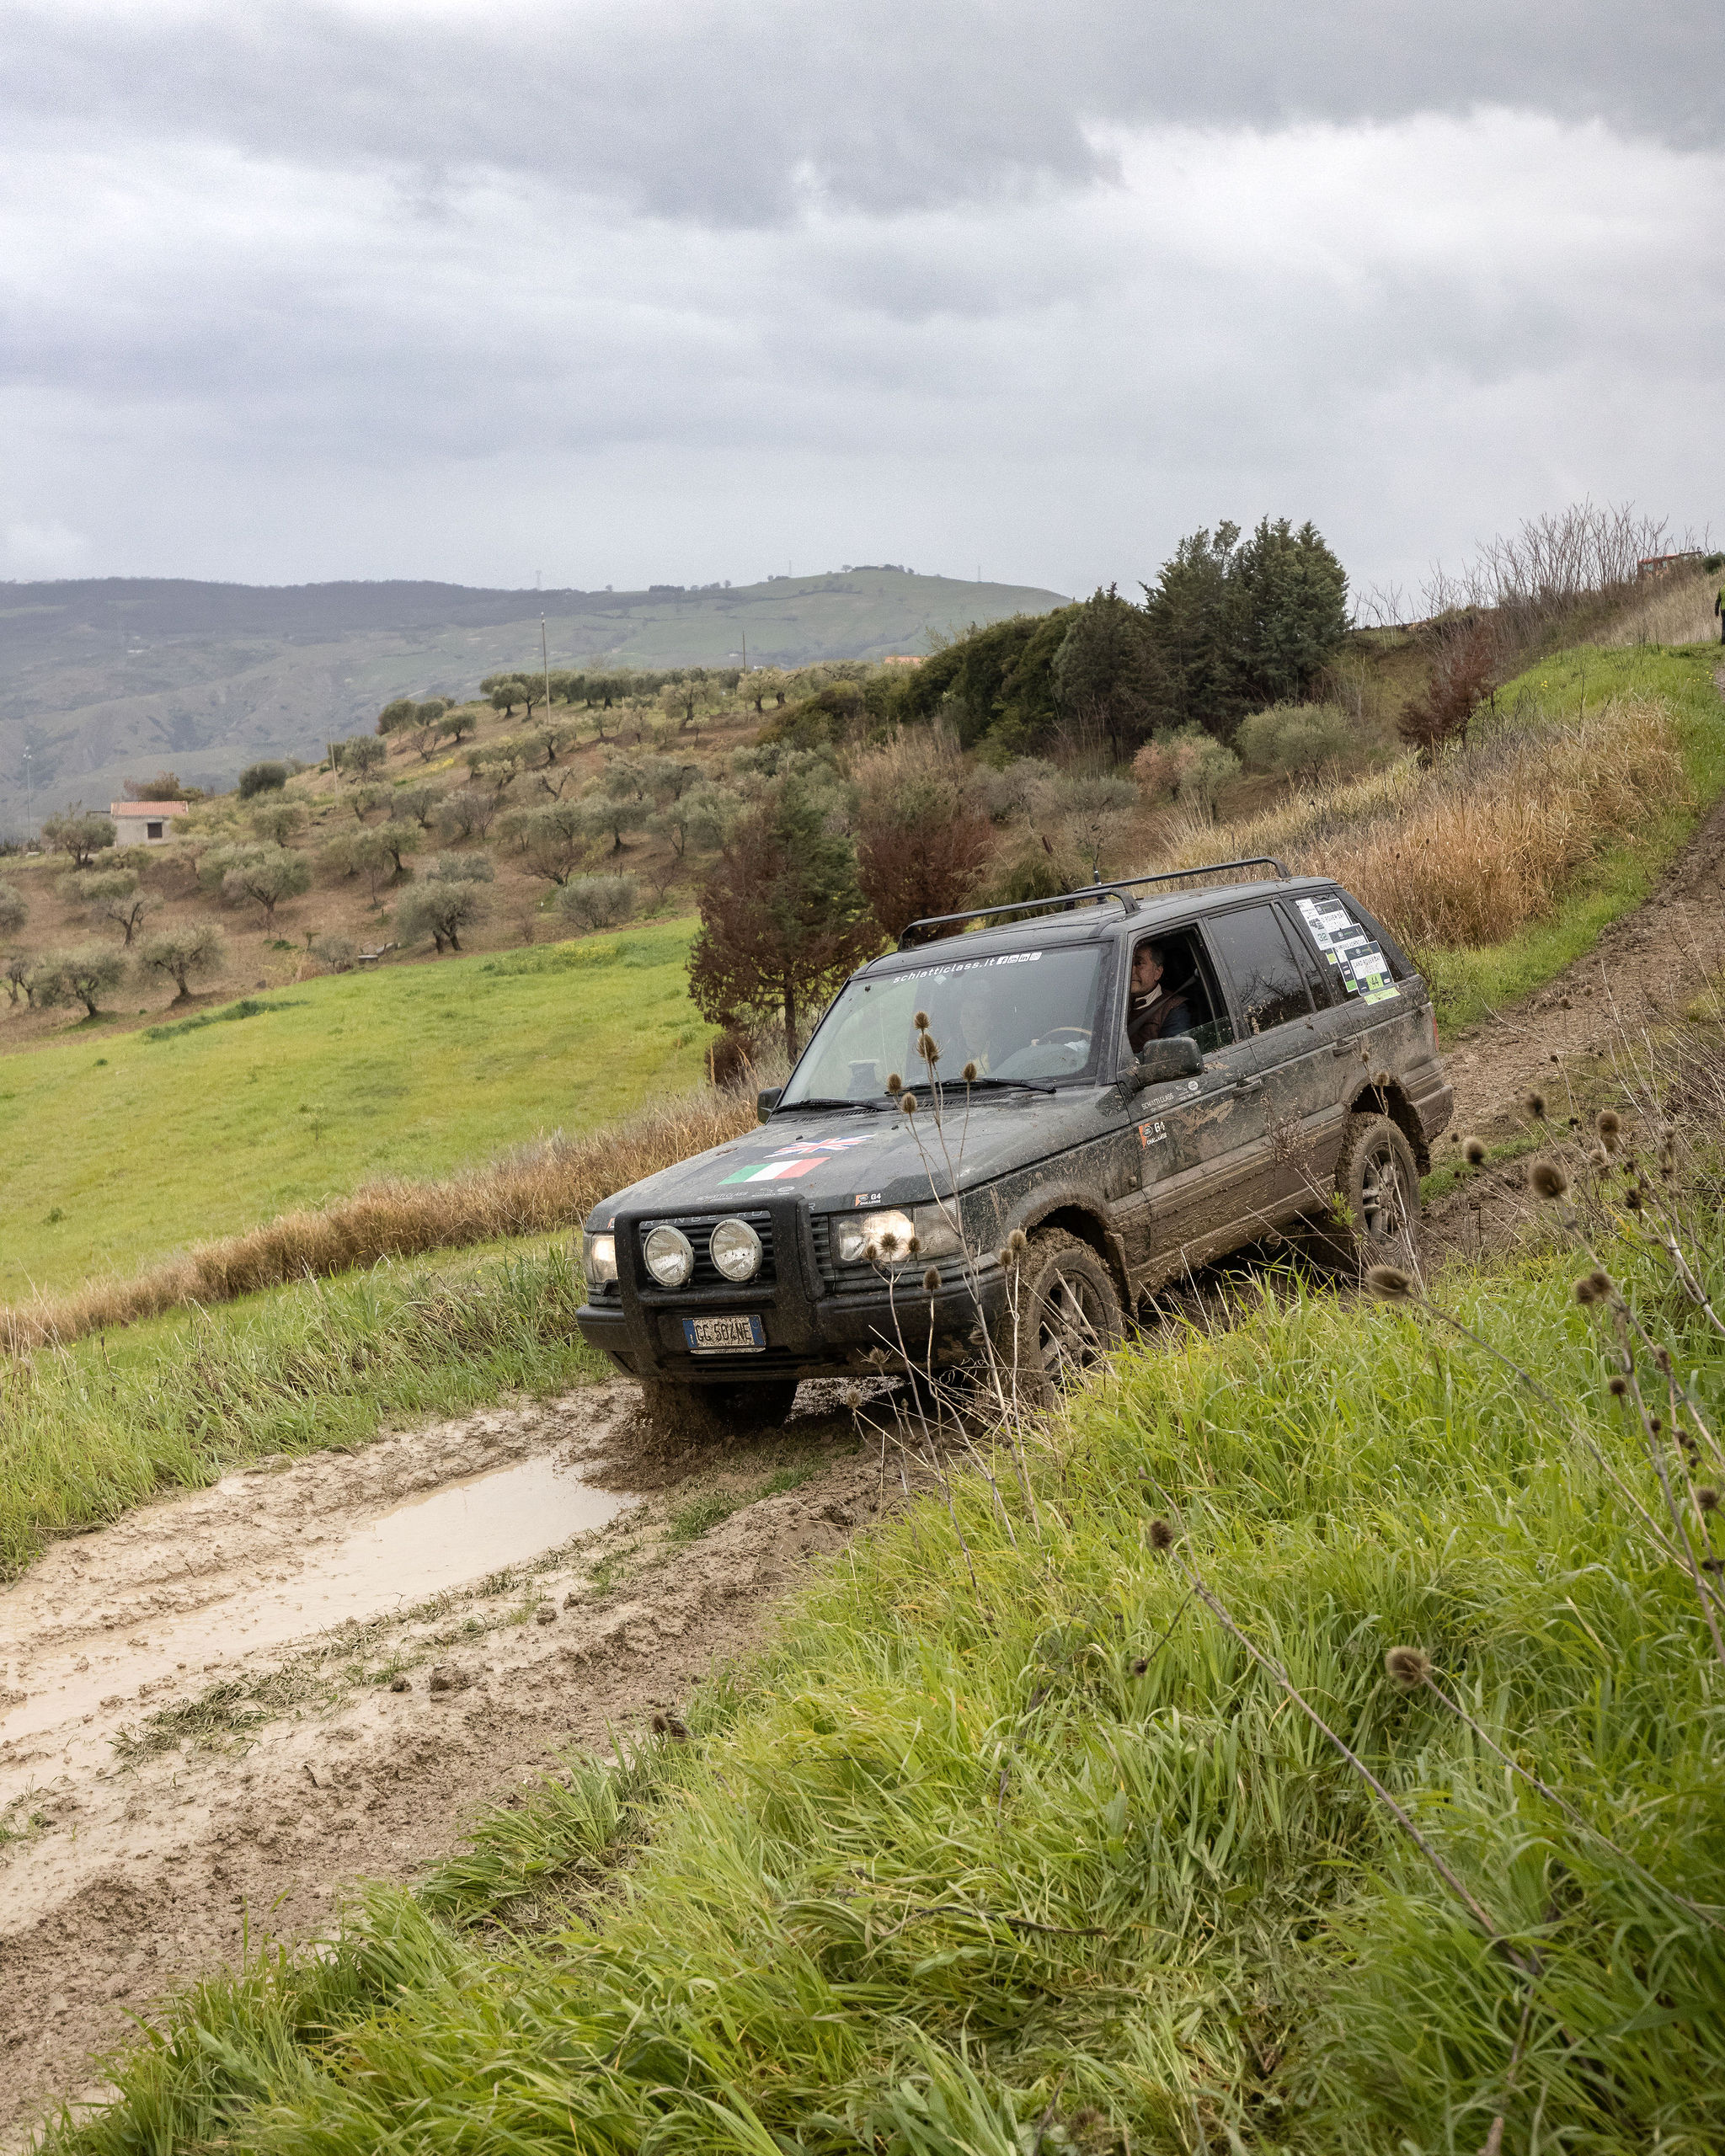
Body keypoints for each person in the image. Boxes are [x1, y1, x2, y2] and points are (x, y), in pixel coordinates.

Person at [1126, 940, 1192, 1054]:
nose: (1130, 971)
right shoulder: (1112, 1002)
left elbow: (1174, 1058)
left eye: (1138, 963)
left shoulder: (1174, 1010)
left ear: (1157, 972)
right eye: (1127, 964)